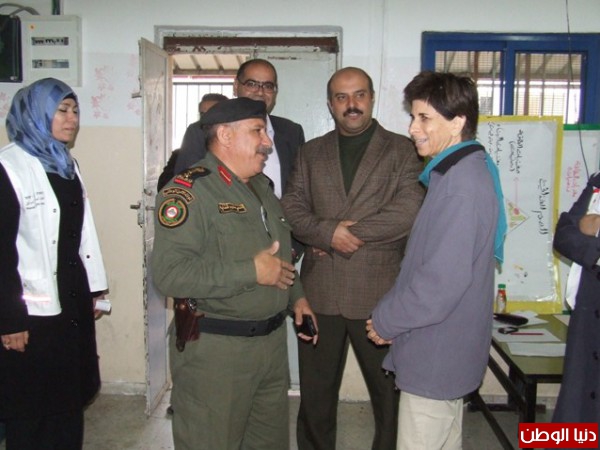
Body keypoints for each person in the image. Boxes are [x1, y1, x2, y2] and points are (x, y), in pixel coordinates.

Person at [151, 97, 317, 450]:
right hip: (216, 353)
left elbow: (278, 253)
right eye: (258, 131)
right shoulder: (188, 192)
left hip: (270, 348)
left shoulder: (260, 188)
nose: (268, 142)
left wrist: (297, 297)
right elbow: (170, 275)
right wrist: (250, 271)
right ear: (225, 135)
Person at [281, 66, 425, 450]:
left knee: (388, 396)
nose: (352, 104)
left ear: (372, 98)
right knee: (315, 396)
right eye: (342, 97)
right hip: (319, 294)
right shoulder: (310, 153)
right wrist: (328, 232)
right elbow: (291, 208)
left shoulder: (403, 150)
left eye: (359, 94)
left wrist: (347, 235)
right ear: (330, 105)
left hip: (380, 295)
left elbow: (408, 210)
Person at [367, 71, 507, 450]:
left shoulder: (460, 185)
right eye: (413, 117)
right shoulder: (459, 173)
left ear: (458, 122)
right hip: (444, 348)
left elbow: (439, 283)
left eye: (424, 117)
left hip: (436, 353)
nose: (413, 128)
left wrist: (386, 320)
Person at [0, 78, 109, 450]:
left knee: (67, 398)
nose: (72, 119)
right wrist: (10, 320)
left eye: (75, 110)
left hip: (70, 297)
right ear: (36, 113)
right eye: (62, 110)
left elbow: (81, 234)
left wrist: (93, 290)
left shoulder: (65, 164)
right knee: (31, 406)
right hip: (28, 309)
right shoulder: (9, 167)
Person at [174, 58, 305, 200]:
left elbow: (300, 190)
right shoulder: (202, 130)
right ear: (236, 86)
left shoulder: (292, 132)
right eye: (251, 84)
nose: (260, 92)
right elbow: (187, 188)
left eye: (268, 86)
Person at [551, 172, 600, 428]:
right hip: (588, 314)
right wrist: (595, 251)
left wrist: (595, 228)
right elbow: (564, 234)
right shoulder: (598, 182)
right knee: (578, 408)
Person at [157, 93, 228, 190]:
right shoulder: (197, 130)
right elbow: (191, 170)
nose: (205, 117)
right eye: (202, 113)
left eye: (210, 113)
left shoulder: (234, 131)